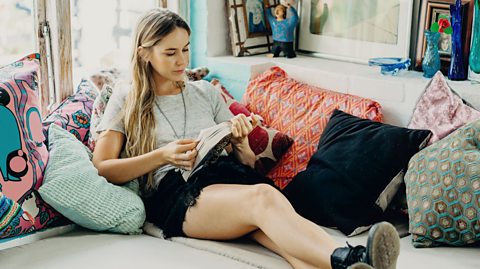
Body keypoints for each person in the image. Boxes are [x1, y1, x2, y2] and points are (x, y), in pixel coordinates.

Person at [93, 8, 400, 269]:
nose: (181, 61)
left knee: (292, 254)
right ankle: (353, 257)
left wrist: (239, 142)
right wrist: (163, 155)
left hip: (228, 178)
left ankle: (351, 263)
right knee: (264, 199)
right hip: (179, 192)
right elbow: (104, 166)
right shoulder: (126, 98)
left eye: (186, 49)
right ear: (144, 53)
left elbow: (248, 163)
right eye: (170, 53)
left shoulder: (206, 92)